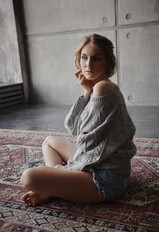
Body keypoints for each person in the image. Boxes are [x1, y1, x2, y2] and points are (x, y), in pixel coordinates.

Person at [21, 34, 137, 206]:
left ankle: (57, 188)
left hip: (105, 179)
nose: (88, 65)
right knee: (49, 142)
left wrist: (66, 168)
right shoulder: (95, 88)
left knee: (28, 177)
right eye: (84, 58)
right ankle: (60, 186)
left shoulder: (103, 87)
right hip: (98, 162)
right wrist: (85, 92)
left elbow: (90, 143)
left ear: (107, 62)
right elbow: (72, 126)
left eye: (96, 59)